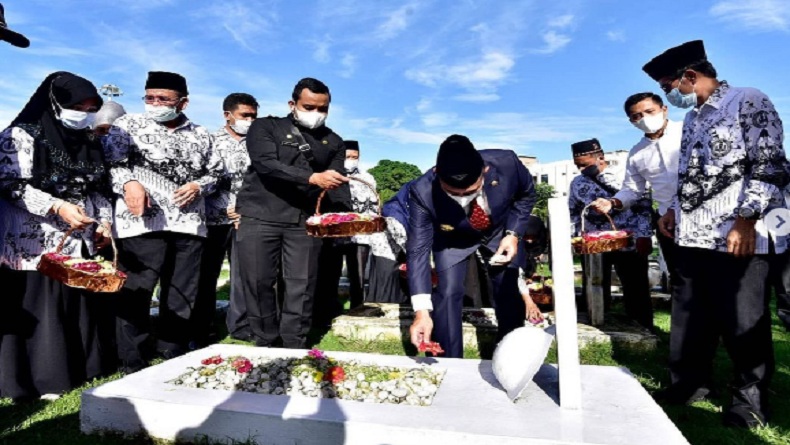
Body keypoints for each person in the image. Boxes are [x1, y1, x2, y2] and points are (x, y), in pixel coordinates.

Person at [645, 40, 788, 427]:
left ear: (690, 76)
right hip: (693, 235)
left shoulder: (747, 100)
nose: (668, 94)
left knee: (742, 320)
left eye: (668, 86)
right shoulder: (692, 119)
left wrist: (745, 221)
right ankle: (690, 384)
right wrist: (674, 210)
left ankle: (749, 402)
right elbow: (690, 172)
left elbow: (770, 164)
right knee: (691, 317)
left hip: (737, 234)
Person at [0, 72, 114, 401]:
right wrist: (56, 207)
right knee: (41, 305)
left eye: (92, 107)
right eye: (78, 105)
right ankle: (38, 378)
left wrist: (104, 223)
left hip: (79, 239)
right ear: (55, 103)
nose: (85, 113)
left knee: (75, 304)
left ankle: (78, 370)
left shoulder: (87, 141)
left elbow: (99, 187)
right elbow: (10, 184)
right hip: (34, 239)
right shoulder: (19, 135)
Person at [104, 71, 223, 372]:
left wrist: (199, 186)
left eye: (164, 99)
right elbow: (111, 163)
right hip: (141, 222)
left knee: (182, 290)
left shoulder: (201, 134)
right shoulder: (127, 125)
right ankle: (132, 357)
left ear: (182, 103)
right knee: (136, 289)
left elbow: (216, 173)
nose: (155, 104)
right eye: (150, 98)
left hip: (187, 223)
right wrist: (129, 182)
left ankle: (173, 348)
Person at [235, 77, 351, 349]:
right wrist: (312, 178)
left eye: (322, 108)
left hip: (304, 221)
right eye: (309, 107)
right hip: (260, 215)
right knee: (258, 281)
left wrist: (346, 218)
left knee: (302, 284)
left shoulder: (333, 141)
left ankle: (294, 343)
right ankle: (265, 339)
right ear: (293, 103)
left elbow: (337, 183)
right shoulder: (266, 127)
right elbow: (266, 164)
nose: (316, 114)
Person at [408, 135, 536, 358]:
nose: (462, 199)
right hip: (452, 238)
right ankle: (450, 362)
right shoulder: (421, 191)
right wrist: (421, 311)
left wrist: (513, 234)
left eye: (469, 192)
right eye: (453, 193)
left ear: (484, 171)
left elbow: (526, 195)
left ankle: (510, 356)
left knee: (508, 290)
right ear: (438, 175)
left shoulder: (508, 164)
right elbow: (418, 250)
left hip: (500, 232)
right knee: (448, 293)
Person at [589, 93, 682, 286]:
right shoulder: (637, 152)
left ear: (664, 109)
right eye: (636, 116)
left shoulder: (689, 132)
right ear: (631, 121)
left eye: (649, 112)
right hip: (668, 223)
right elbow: (632, 190)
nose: (644, 119)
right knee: (681, 278)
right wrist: (612, 202)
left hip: (703, 215)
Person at [568, 138, 654, 330]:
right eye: (578, 166)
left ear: (600, 157)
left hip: (627, 241)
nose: (581, 170)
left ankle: (643, 326)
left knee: (635, 286)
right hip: (593, 244)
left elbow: (644, 207)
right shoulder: (577, 183)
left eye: (585, 165)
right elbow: (573, 212)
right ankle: (598, 321)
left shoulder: (627, 177)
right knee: (595, 284)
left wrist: (644, 235)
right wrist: (574, 238)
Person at [198, 92, 258, 343]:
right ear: (228, 115)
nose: (250, 120)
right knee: (205, 275)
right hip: (212, 219)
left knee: (244, 276)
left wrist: (244, 207)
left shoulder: (258, 144)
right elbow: (201, 176)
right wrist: (226, 207)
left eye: (254, 116)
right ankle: (202, 327)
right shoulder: (209, 140)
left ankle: (241, 325)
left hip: (245, 219)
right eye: (245, 115)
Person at [314, 140, 378, 325]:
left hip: (359, 235)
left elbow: (372, 208)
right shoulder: (330, 178)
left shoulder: (367, 178)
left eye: (354, 157)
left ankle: (358, 308)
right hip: (334, 235)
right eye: (347, 157)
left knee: (358, 275)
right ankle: (327, 310)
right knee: (329, 273)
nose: (351, 161)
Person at [367, 181, 412, 304]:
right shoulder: (394, 210)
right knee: (387, 289)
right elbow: (399, 236)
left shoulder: (405, 209)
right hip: (387, 254)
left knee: (399, 288)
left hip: (398, 252)